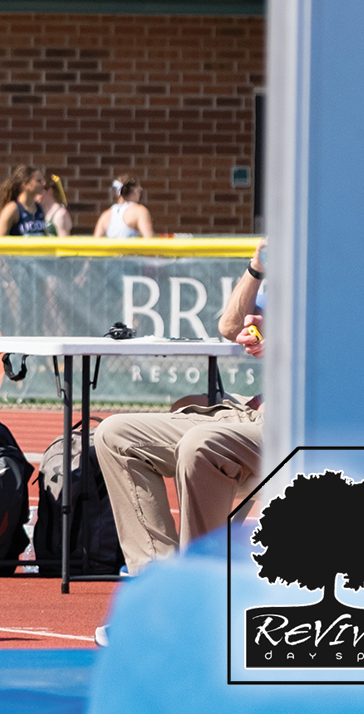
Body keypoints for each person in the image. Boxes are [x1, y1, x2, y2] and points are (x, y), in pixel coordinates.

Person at [95, 241, 266, 578]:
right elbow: (230, 328)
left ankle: (199, 586)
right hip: (254, 411)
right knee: (114, 434)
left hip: (306, 423)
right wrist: (256, 268)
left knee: (200, 443)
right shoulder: (291, 268)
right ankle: (158, 582)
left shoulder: (351, 279)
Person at [0, 164, 52, 237]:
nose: (44, 183)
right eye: (38, 181)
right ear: (25, 184)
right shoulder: (12, 209)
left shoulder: (40, 208)